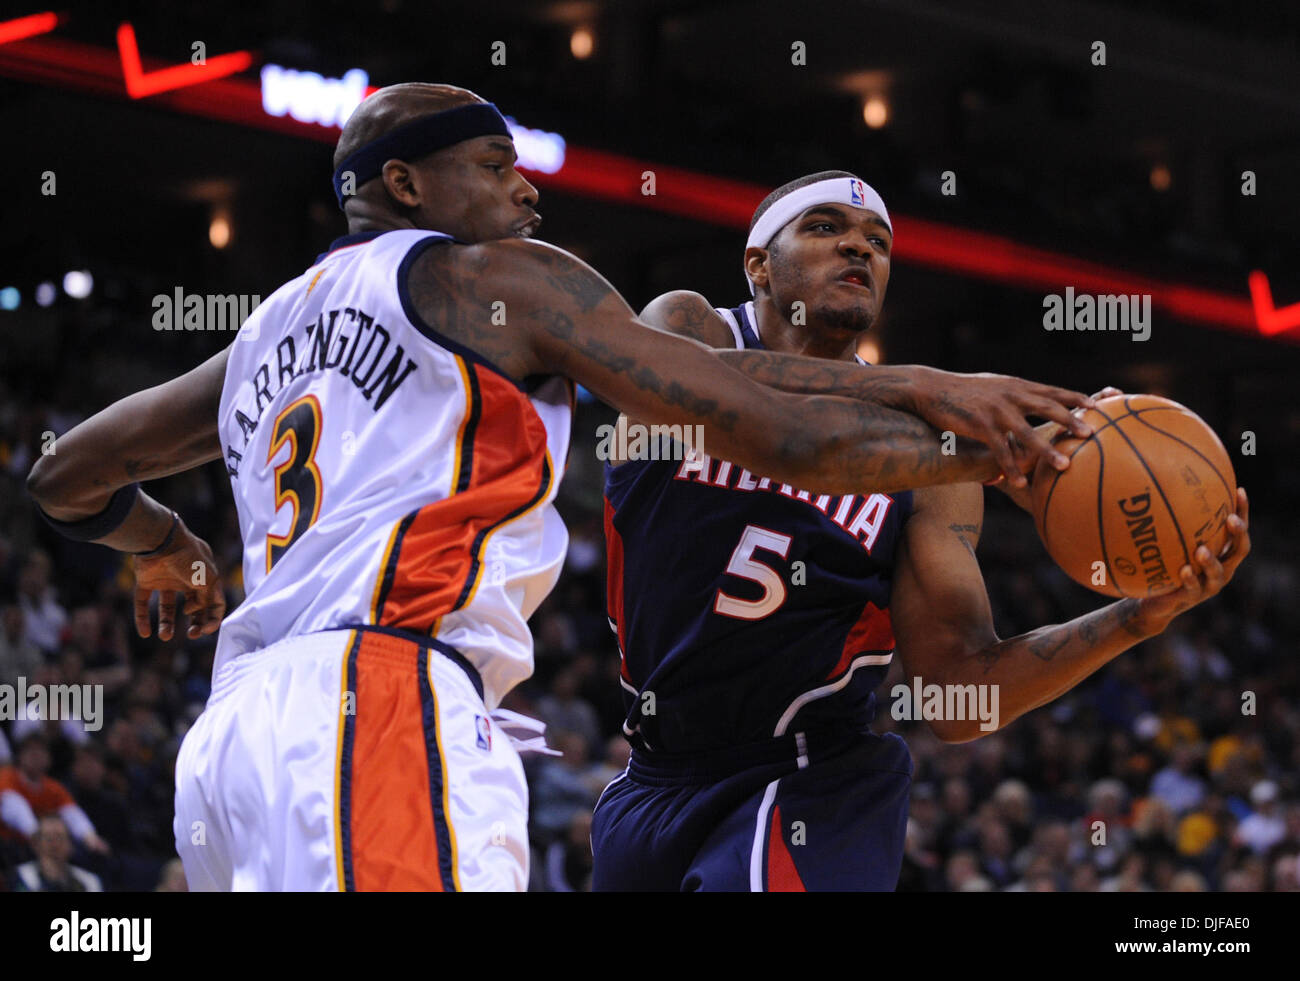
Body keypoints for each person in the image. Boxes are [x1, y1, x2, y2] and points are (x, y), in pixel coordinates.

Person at [27, 89, 1095, 892]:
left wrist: (163, 541)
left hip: (230, 737)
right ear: (407, 186)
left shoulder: (263, 333)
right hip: (380, 695)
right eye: (497, 166)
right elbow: (776, 429)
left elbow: (70, 474)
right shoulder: (506, 280)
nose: (527, 190)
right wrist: (993, 441)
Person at [591, 171, 1252, 891]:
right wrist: (917, 384)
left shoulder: (931, 458)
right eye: (823, 227)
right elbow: (732, 403)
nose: (858, 247)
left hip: (811, 779)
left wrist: (1135, 618)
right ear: (757, 263)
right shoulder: (689, 330)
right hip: (649, 780)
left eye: (878, 242)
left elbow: (956, 696)